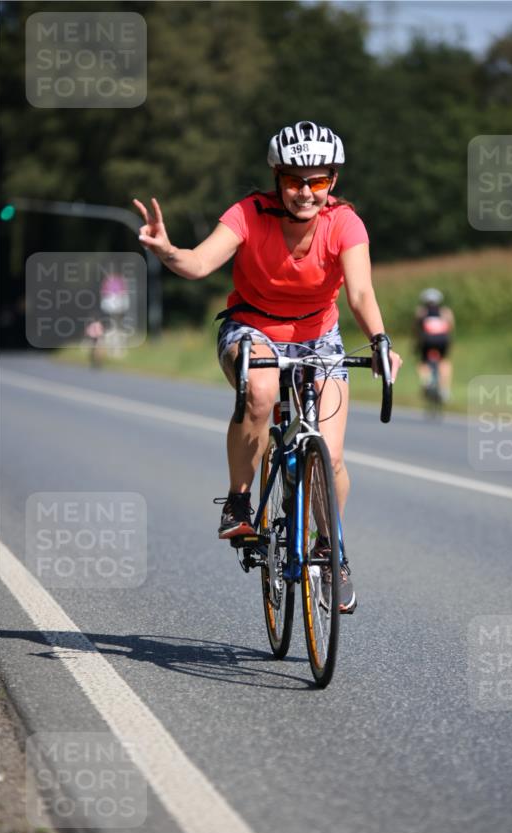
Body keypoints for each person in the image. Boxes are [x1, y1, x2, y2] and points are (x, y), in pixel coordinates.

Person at [134, 121, 402, 614]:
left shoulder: (345, 223)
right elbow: (196, 264)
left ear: (332, 182)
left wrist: (381, 342)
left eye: (317, 181)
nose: (305, 192)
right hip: (251, 327)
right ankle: (239, 500)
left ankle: (330, 550)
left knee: (333, 455)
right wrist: (166, 249)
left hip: (319, 336)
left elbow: (361, 293)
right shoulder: (247, 214)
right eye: (294, 179)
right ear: (277, 178)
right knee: (258, 392)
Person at [414, 288, 454, 402]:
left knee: (423, 362)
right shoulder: (445, 312)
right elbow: (450, 328)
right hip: (443, 340)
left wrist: (416, 345)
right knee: (444, 361)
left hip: (427, 340)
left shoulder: (421, 312)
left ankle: (426, 381)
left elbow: (416, 330)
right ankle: (445, 389)